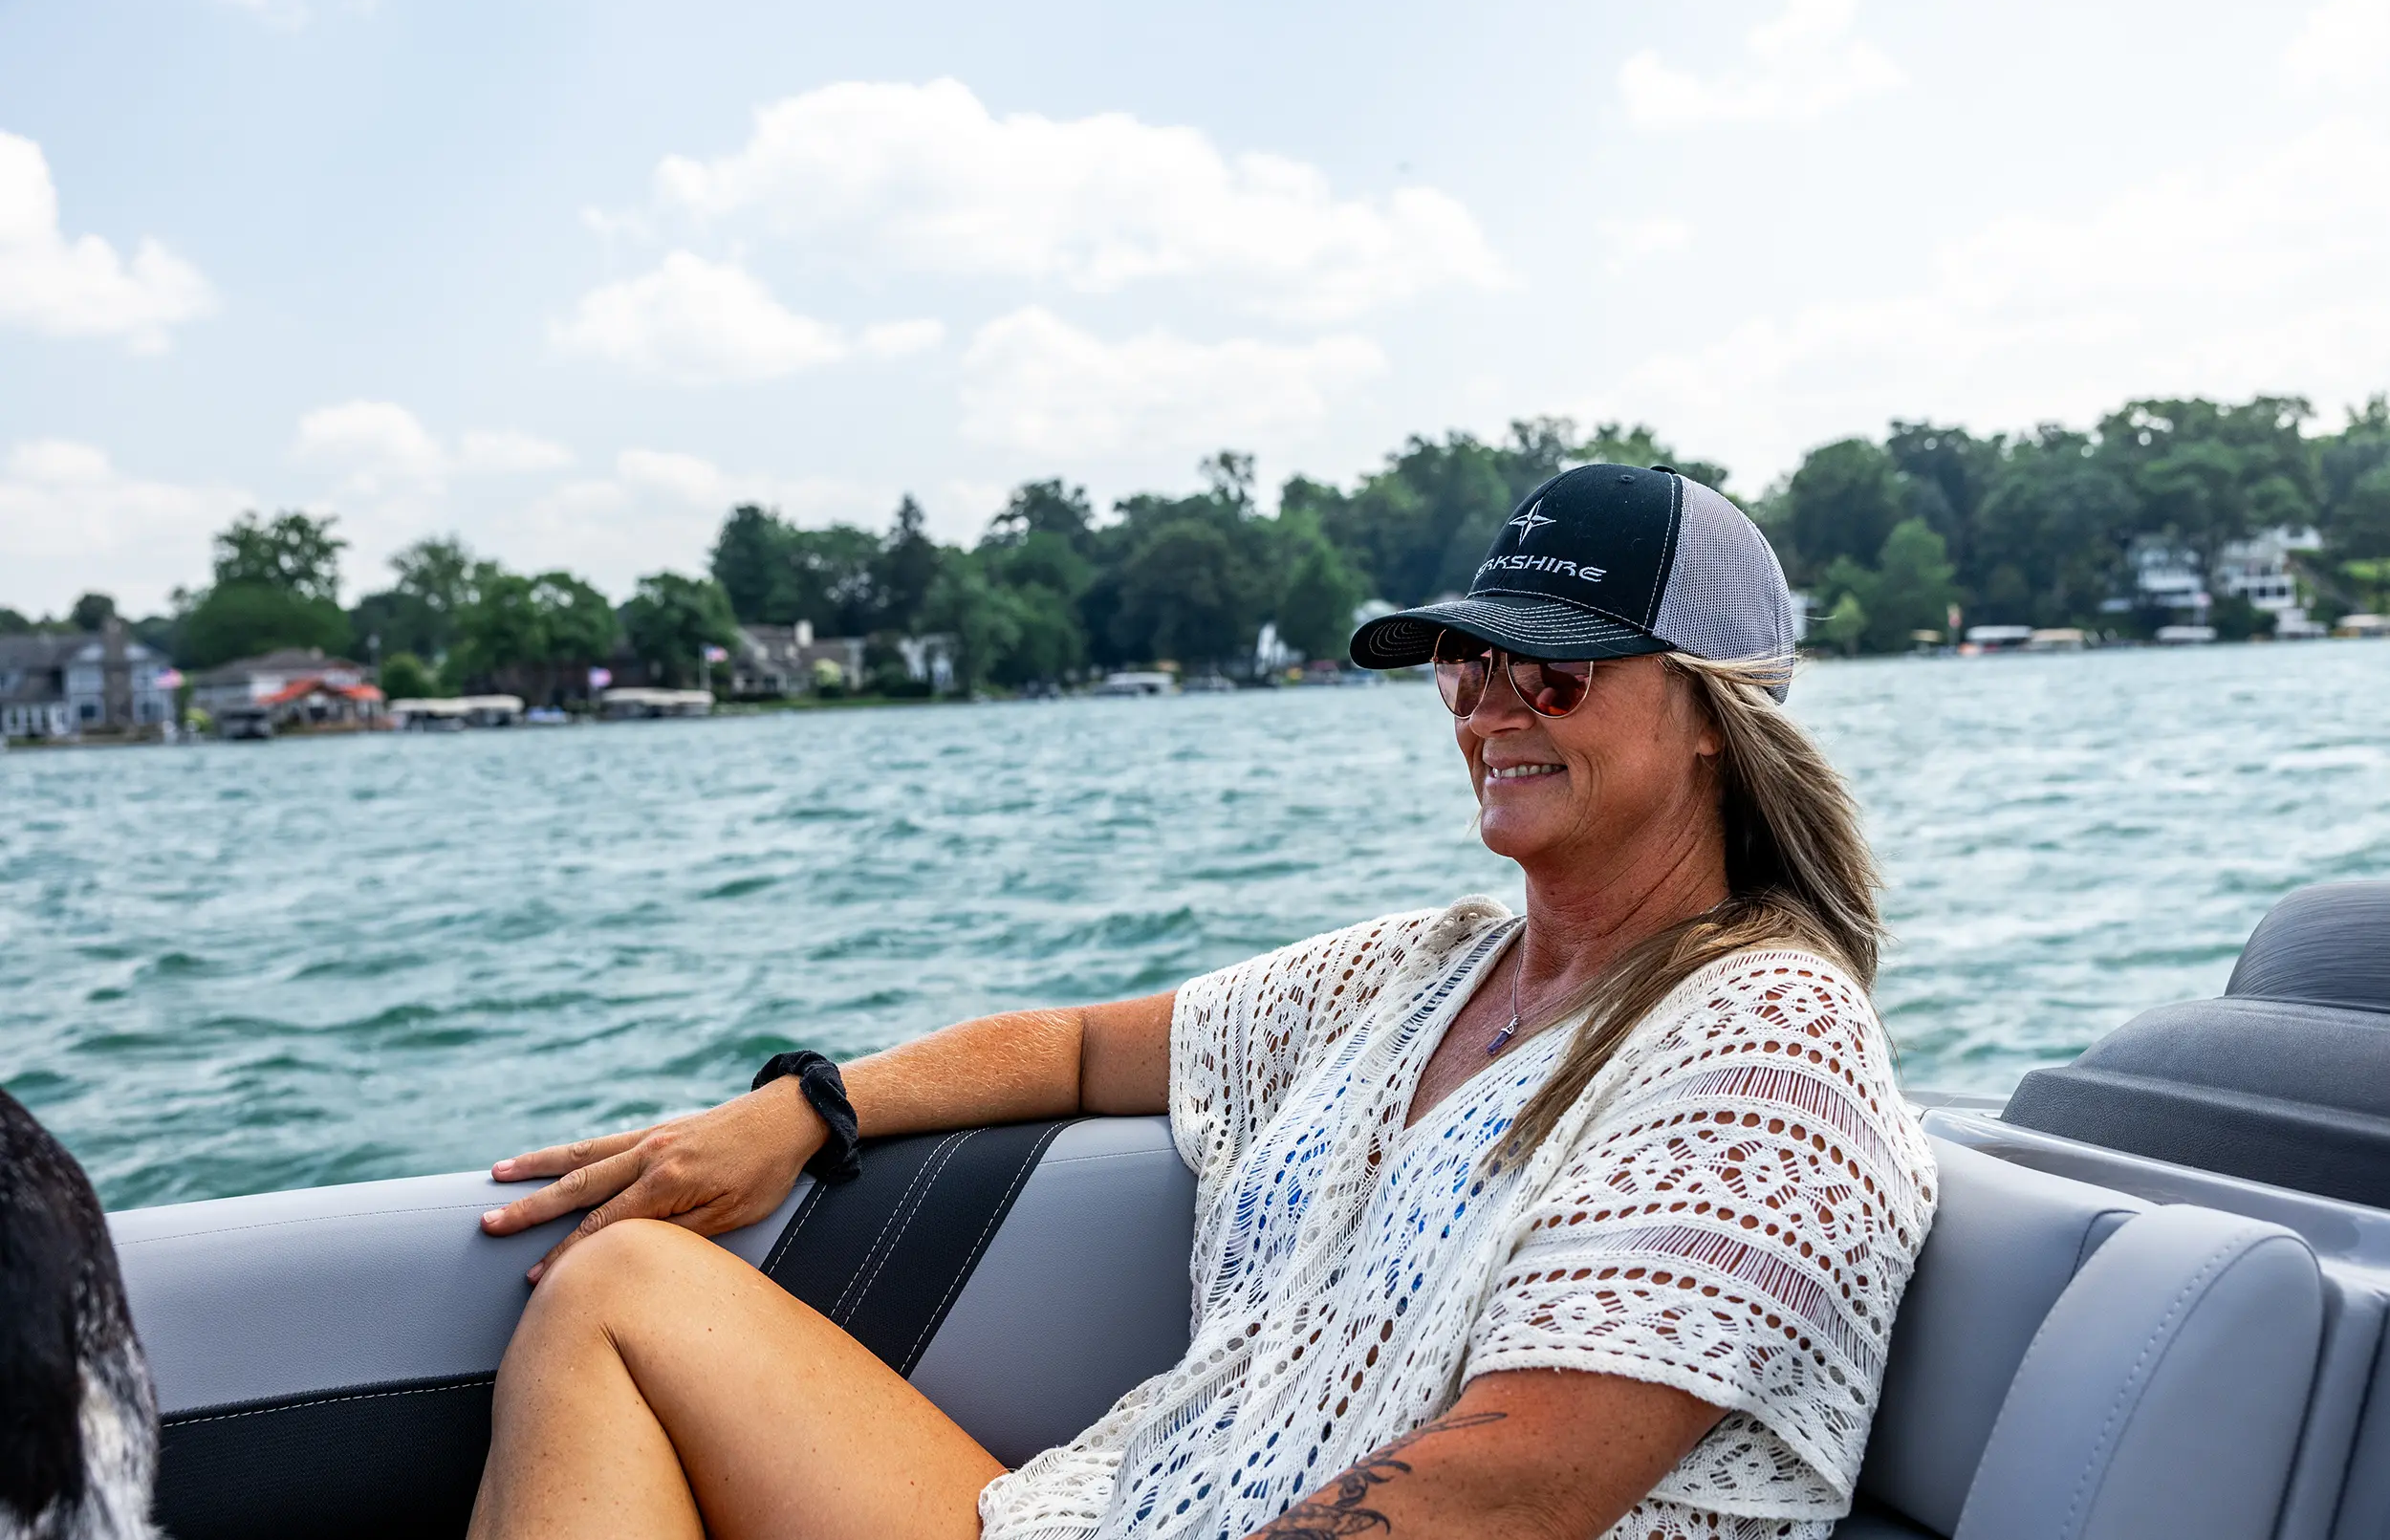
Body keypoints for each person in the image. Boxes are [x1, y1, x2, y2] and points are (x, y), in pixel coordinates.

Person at [469, 463, 1937, 1540]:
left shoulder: (1770, 1049)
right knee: (619, 1287)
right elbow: (1078, 1047)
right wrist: (807, 1105)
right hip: (1110, 1511)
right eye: (1466, 663)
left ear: (1713, 711)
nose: (1491, 706)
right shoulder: (1421, 971)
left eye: (1550, 672)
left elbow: (1506, 1491)